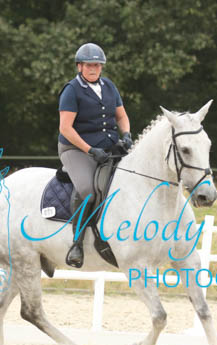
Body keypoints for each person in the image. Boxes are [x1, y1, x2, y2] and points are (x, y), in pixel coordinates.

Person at [58, 43, 133, 268]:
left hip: (108, 148)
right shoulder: (72, 90)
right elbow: (65, 128)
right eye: (89, 65)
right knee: (88, 191)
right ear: (80, 66)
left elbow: (121, 116)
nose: (93, 69)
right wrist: (89, 150)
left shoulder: (109, 86)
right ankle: (77, 243)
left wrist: (126, 134)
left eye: (97, 65)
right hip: (75, 149)